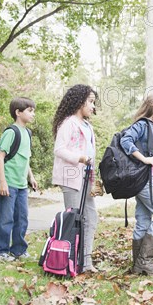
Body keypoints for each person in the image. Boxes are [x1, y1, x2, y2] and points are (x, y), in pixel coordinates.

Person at [120, 94, 153, 275]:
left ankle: (137, 265)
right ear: (151, 107)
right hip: (144, 180)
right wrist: (144, 159)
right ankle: (145, 261)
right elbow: (125, 140)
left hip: (151, 181)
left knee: (143, 220)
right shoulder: (142, 124)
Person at [52, 84, 98, 273]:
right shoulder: (68, 123)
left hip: (86, 178)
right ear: (79, 101)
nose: (93, 106)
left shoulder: (87, 126)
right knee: (74, 220)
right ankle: (69, 261)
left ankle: (85, 261)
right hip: (71, 178)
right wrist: (79, 158)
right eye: (90, 102)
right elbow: (59, 149)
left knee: (91, 217)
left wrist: (93, 179)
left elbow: (91, 153)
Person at [0, 97, 38, 261]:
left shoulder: (28, 133)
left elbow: (25, 158)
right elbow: (0, 157)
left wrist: (31, 177)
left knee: (22, 218)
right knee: (6, 218)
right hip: (9, 182)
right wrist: (2, 181)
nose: (33, 114)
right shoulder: (11, 132)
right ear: (18, 112)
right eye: (30, 111)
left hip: (22, 185)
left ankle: (18, 250)